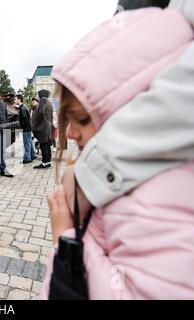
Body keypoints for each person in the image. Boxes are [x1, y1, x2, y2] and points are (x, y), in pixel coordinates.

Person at [40, 7, 194, 299]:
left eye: (83, 119)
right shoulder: (138, 176)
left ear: (131, 113)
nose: (71, 134)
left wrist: (66, 239)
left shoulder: (149, 199)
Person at [32, 90, 53, 170]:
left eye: (38, 94)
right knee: (47, 145)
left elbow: (40, 113)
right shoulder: (49, 101)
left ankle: (44, 163)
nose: (38, 96)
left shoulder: (43, 100)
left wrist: (37, 124)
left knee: (43, 145)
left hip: (43, 127)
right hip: (48, 127)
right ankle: (48, 162)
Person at [14, 94, 36, 164]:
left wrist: (22, 127)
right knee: (29, 142)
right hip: (28, 127)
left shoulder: (22, 108)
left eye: (15, 99)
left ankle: (27, 158)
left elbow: (24, 119)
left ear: (19, 99)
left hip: (26, 128)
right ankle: (32, 155)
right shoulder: (23, 107)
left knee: (27, 143)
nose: (14, 100)